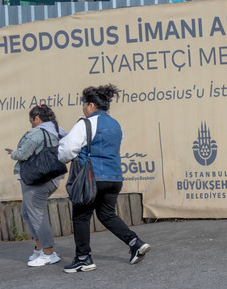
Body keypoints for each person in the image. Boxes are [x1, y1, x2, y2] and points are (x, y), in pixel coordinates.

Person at [57, 84, 151, 273]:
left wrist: (63, 158)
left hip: (92, 178)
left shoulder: (86, 123)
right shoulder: (116, 124)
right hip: (114, 177)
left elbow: (67, 150)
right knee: (106, 214)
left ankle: (83, 258)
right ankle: (134, 242)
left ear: (91, 105)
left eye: (84, 104)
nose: (83, 108)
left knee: (81, 216)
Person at [8, 104, 65, 267]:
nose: (31, 124)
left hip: (36, 180)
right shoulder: (58, 130)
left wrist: (13, 153)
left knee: (37, 214)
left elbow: (23, 153)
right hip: (51, 177)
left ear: (37, 119)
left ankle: (49, 253)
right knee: (26, 212)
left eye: (31, 120)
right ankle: (40, 248)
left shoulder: (37, 132)